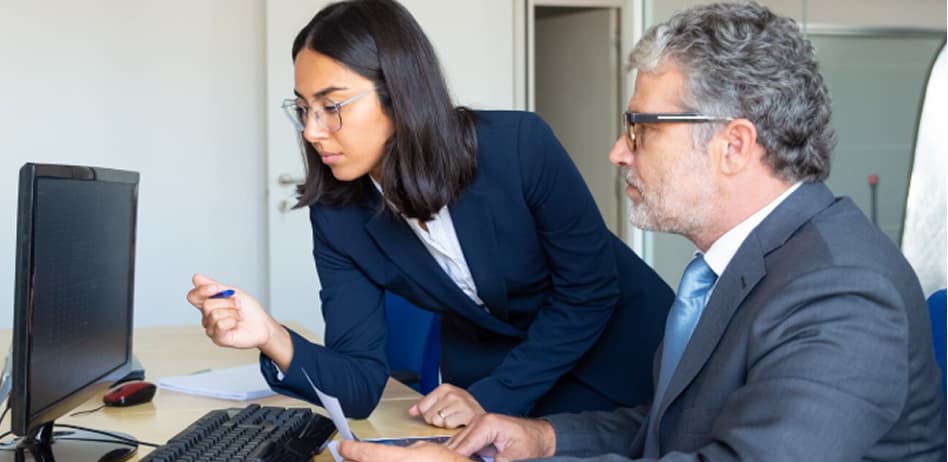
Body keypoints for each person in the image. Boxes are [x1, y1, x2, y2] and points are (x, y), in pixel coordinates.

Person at [336, 3, 947, 462]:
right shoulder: (741, 265)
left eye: (642, 129)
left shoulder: (841, 289)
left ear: (733, 145)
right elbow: (675, 432)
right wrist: (542, 438)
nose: (618, 152)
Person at [186, 0, 673, 424]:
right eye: (302, 109)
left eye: (331, 107)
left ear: (398, 93)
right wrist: (271, 336)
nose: (311, 131)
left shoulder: (519, 147)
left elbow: (589, 294)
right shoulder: (339, 216)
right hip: (500, 382)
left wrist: (492, 397)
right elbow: (359, 384)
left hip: (624, 357)